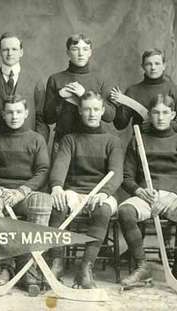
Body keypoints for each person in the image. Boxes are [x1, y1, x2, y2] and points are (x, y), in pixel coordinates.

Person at [119, 94, 177, 289]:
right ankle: (141, 266)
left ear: (173, 115)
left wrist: (172, 195)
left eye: (165, 112)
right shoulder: (138, 139)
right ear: (149, 115)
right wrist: (139, 191)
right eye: (156, 112)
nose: (161, 117)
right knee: (125, 211)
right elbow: (126, 176)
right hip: (146, 195)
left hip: (175, 196)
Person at [0, 95, 52, 294]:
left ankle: (29, 268)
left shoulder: (36, 139)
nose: (14, 116)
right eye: (9, 112)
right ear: (3, 114)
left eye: (18, 112)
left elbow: (43, 171)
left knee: (43, 201)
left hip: (24, 194)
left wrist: (21, 192)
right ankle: (4, 265)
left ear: (26, 114)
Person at [48, 91, 123, 289]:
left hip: (102, 192)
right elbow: (60, 167)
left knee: (103, 209)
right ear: (80, 111)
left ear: (102, 111)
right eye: (87, 109)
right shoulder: (69, 139)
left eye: (96, 109)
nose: (91, 113)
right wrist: (56, 187)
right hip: (74, 191)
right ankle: (57, 262)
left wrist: (104, 193)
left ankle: (85, 268)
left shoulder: (112, 141)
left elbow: (117, 173)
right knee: (58, 204)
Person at [0, 32, 49, 150]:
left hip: (28, 151)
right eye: (5, 49)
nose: (10, 53)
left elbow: (42, 119)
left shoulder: (35, 82)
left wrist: (38, 148)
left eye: (14, 49)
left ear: (21, 52)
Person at [43, 33, 116, 154]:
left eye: (85, 49)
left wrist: (84, 95)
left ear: (90, 52)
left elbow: (110, 116)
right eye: (75, 49)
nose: (80, 53)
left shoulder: (100, 79)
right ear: (68, 52)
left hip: (93, 142)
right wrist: (59, 97)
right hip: (62, 142)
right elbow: (48, 119)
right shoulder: (56, 79)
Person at [111, 48, 177, 133]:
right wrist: (119, 106)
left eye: (157, 63)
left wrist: (156, 126)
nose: (153, 67)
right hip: (140, 143)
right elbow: (120, 125)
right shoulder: (132, 91)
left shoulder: (174, 90)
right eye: (148, 64)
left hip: (168, 143)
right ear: (142, 66)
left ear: (164, 66)